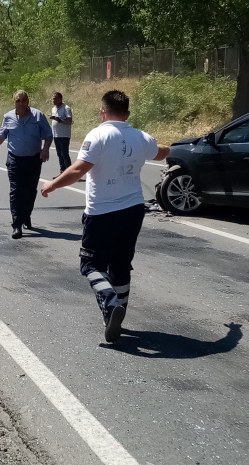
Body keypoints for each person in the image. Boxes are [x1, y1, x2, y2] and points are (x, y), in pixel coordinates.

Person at [40, 90, 170, 343]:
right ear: (127, 114)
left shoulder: (98, 135)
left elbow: (79, 170)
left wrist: (52, 184)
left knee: (90, 265)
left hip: (102, 213)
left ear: (102, 112)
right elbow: (161, 152)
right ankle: (118, 312)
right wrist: (174, 147)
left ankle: (111, 305)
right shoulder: (141, 137)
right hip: (133, 210)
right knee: (121, 265)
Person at [0, 90, 52, 239]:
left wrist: (45, 149)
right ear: (14, 102)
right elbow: (1, 135)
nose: (21, 103)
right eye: (18, 101)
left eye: (24, 100)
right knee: (16, 191)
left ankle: (26, 215)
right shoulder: (8, 117)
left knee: (30, 191)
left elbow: (48, 135)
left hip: (33, 159)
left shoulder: (38, 116)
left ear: (28, 101)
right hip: (15, 160)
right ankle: (17, 225)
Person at [50, 92, 74, 173]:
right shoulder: (53, 109)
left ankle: (69, 172)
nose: (54, 100)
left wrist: (60, 120)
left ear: (60, 99)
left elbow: (69, 121)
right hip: (56, 134)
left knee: (64, 154)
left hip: (64, 135)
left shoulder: (66, 108)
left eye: (56, 99)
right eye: (53, 99)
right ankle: (62, 171)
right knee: (59, 154)